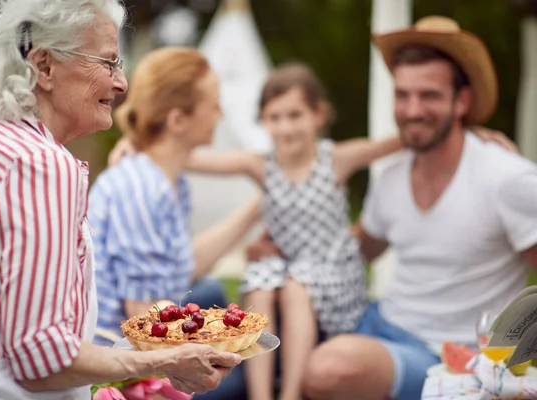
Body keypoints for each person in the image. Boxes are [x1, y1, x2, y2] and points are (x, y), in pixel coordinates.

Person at [0, 1, 240, 399]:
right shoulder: (39, 163)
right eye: (109, 62)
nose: (122, 84)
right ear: (43, 66)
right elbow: (40, 358)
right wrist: (164, 362)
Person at [109, 61, 404, 400]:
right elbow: (186, 158)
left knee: (294, 286)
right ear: (263, 121)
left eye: (295, 115)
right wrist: (135, 145)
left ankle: (291, 393)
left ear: (318, 115)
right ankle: (260, 395)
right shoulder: (262, 166)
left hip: (333, 270)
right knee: (260, 281)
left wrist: (470, 129)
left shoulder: (335, 158)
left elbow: (392, 144)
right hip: (286, 265)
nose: (285, 127)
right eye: (274, 118)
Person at [296, 16, 537, 400]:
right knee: (255, 348)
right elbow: (357, 248)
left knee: (329, 369)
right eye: (402, 95)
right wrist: (283, 246)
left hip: (443, 354)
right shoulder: (392, 174)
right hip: (377, 322)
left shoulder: (506, 178)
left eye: (429, 95)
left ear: (463, 101)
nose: (412, 110)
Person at [88, 46, 262, 400]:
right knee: (263, 371)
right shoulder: (141, 190)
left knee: (214, 292)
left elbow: (182, 265)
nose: (220, 113)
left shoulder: (170, 180)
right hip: (118, 362)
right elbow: (144, 317)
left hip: (140, 342)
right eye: (213, 104)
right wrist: (220, 341)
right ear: (178, 120)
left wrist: (257, 211)